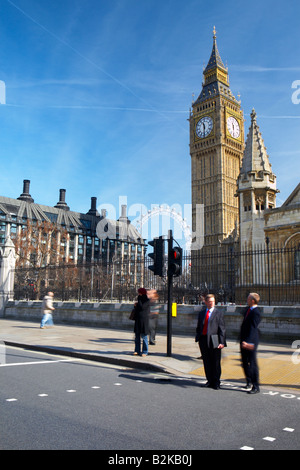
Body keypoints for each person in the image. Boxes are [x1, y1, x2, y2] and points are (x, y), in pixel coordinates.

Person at [195, 293, 226, 390]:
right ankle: (209, 380)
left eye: (213, 301)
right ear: (206, 302)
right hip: (203, 339)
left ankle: (216, 382)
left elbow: (222, 329)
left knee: (216, 362)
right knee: (207, 361)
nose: (212, 303)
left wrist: (222, 342)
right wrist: (198, 336)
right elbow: (199, 326)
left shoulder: (219, 313)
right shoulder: (202, 313)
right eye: (210, 301)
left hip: (215, 339)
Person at [240, 293, 261, 394]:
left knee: (252, 364)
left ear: (253, 300)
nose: (246, 300)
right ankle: (248, 381)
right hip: (244, 340)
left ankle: (256, 386)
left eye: (248, 299)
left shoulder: (256, 312)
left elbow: (253, 328)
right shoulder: (248, 310)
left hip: (251, 341)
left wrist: (248, 342)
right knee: (244, 362)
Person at [133, 288, 150, 356]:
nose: (138, 294)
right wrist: (135, 306)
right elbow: (137, 309)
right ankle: (137, 350)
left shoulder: (147, 300)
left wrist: (139, 300)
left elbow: (142, 307)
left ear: (142, 293)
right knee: (137, 337)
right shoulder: (139, 300)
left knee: (144, 337)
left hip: (144, 321)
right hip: (138, 320)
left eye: (139, 293)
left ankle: (145, 351)